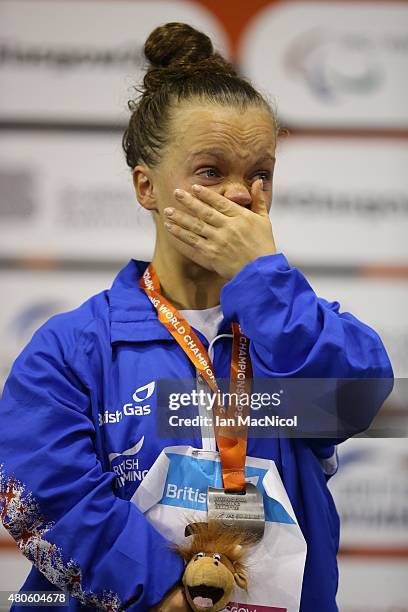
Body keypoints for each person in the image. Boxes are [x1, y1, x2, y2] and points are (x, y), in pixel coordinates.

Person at [0, 22, 393, 612]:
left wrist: (261, 277)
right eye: (211, 171)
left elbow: (354, 401)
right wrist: (160, 590)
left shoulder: (293, 327)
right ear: (146, 187)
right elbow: (48, 493)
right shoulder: (72, 347)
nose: (241, 195)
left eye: (260, 174)